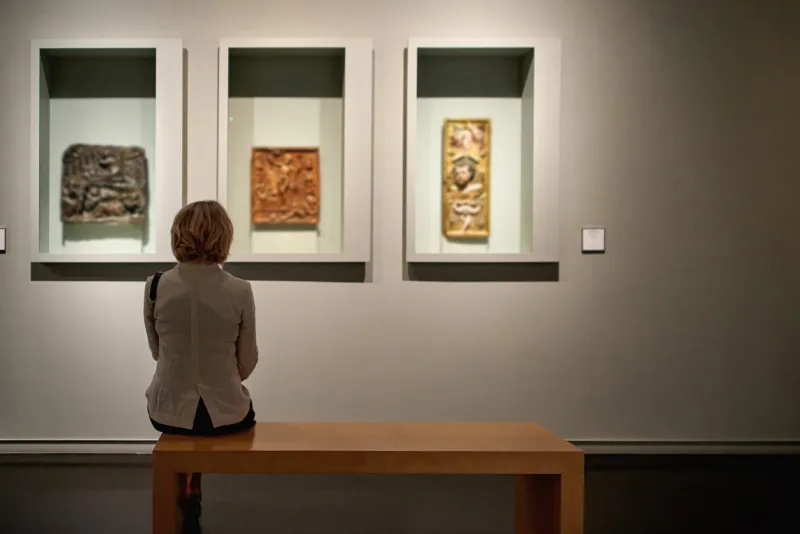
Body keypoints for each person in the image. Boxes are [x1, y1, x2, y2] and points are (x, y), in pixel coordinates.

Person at [143, 200, 259, 532]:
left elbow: (157, 352)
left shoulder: (155, 286)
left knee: (186, 422)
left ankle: (188, 482)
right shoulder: (240, 290)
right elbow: (247, 362)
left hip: (167, 409)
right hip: (225, 413)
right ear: (224, 237)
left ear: (178, 234)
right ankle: (193, 481)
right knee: (215, 412)